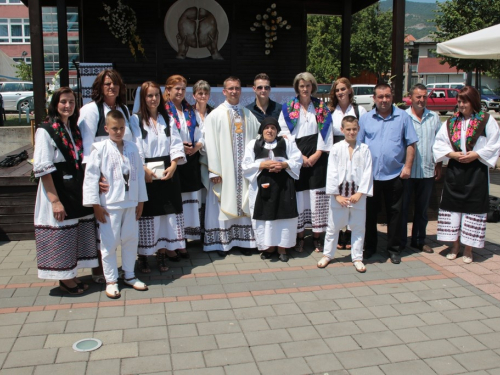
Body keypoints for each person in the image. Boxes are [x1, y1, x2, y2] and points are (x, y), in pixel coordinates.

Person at [33, 87, 98, 294]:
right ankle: (64, 279)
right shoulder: (46, 130)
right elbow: (43, 168)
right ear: (55, 104)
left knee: (74, 232)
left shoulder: (73, 128)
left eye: (71, 101)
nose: (67, 105)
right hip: (57, 188)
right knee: (62, 232)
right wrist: (54, 201)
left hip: (74, 187)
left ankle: (71, 275)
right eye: (63, 102)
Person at [77, 69, 139, 284]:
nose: (111, 87)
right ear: (99, 87)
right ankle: (103, 273)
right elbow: (87, 148)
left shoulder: (123, 109)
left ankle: (127, 273)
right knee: (106, 232)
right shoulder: (91, 110)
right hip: (105, 179)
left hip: (125, 179)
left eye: (114, 84)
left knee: (127, 233)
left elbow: (129, 140)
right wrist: (98, 179)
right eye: (106, 84)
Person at [83, 110, 148, 299]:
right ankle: (111, 280)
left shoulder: (133, 148)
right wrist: (95, 205)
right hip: (109, 204)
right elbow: (91, 177)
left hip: (131, 202)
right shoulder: (99, 148)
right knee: (109, 243)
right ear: (106, 128)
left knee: (130, 239)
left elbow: (140, 177)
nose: (118, 131)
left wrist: (141, 201)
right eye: (114, 128)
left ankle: (129, 274)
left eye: (121, 128)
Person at [433, 86, 500, 264]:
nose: (461, 105)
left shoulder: (486, 120)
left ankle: (469, 248)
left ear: (473, 102)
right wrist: (452, 154)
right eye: (459, 101)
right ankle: (455, 246)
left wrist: (477, 154)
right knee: (453, 206)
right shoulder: (451, 121)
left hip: (476, 168)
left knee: (473, 208)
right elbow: (439, 143)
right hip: (456, 168)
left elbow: (495, 143)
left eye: (465, 101)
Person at [358, 83, 418, 264]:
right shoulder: (366, 119)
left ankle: (394, 249)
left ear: (392, 97)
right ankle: (370, 247)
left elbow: (411, 144)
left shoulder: (403, 117)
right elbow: (359, 146)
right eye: (380, 97)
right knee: (369, 214)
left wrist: (407, 167)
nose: (384, 100)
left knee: (396, 214)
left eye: (387, 96)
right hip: (371, 176)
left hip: (395, 174)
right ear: (374, 99)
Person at [131, 81, 186, 273]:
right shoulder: (135, 120)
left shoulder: (168, 119)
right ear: (143, 98)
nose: (153, 99)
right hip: (146, 172)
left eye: (156, 95)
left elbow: (176, 144)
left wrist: (173, 166)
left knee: (164, 215)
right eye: (149, 95)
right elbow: (134, 145)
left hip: (167, 173)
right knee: (147, 215)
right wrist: (143, 168)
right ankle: (144, 257)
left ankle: (162, 254)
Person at [204, 76, 261, 256]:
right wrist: (214, 171)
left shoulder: (248, 114)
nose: (234, 91)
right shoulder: (215, 115)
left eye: (237, 88)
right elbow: (209, 144)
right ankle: (222, 244)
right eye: (230, 88)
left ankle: (244, 242)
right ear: (224, 91)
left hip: (243, 171)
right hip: (223, 171)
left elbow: (258, 139)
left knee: (244, 201)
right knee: (221, 204)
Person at [278, 72, 332, 253]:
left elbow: (327, 132)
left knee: (317, 196)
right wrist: (299, 156)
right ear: (297, 88)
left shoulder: (321, 106)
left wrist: (317, 154)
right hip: (297, 155)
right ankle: (300, 236)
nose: (305, 89)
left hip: (318, 154)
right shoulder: (288, 107)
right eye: (301, 86)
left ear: (312, 87)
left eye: (308, 86)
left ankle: (317, 237)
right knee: (300, 196)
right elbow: (283, 133)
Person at [242, 117, 303, 262]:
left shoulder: (286, 142)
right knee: (266, 215)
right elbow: (245, 165)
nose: (270, 130)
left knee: (284, 215)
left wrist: (284, 165)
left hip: (284, 185)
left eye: (273, 128)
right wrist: (262, 165)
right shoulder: (254, 144)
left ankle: (282, 247)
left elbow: (298, 159)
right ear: (262, 130)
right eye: (266, 128)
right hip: (262, 187)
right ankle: (268, 246)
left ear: (277, 131)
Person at [319, 116, 373, 271]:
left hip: (357, 195)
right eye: (348, 129)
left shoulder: (364, 149)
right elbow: (331, 172)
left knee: (357, 227)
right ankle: (327, 255)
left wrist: (360, 193)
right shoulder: (336, 148)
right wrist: (336, 195)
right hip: (340, 194)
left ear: (359, 129)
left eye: (354, 129)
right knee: (333, 227)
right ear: (342, 130)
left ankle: (357, 257)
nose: (351, 132)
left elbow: (368, 172)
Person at [401, 84, 442, 254]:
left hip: (426, 171)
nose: (421, 100)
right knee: (402, 209)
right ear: (411, 97)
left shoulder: (434, 117)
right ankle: (401, 241)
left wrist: (439, 164)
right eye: (418, 96)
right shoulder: (403, 117)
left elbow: (441, 144)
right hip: (407, 172)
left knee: (422, 210)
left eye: (424, 96)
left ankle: (419, 240)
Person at [164, 75, 204, 251]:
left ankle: (188, 238)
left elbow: (201, 132)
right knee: (176, 200)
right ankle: (176, 241)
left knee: (190, 200)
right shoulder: (163, 110)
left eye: (182, 88)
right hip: (174, 160)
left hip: (191, 158)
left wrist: (195, 148)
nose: (180, 92)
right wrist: (180, 147)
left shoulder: (190, 110)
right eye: (176, 88)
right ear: (168, 90)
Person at [328, 77, 368, 251]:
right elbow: (327, 135)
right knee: (340, 196)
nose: (340, 92)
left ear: (350, 90)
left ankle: (350, 234)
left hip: (356, 152)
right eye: (337, 90)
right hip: (337, 151)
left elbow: (363, 132)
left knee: (353, 193)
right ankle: (340, 233)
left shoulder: (360, 110)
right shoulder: (331, 111)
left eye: (343, 89)